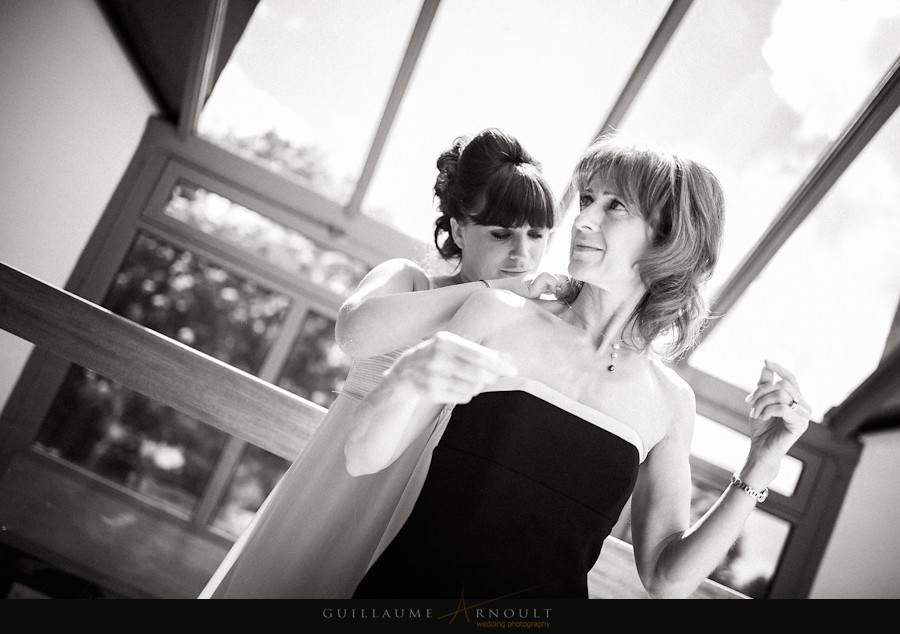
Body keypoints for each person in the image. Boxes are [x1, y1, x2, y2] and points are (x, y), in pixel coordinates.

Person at [346, 133, 811, 600]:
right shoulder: (498, 314)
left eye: (614, 206)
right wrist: (403, 380)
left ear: (668, 236)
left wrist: (761, 466)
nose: (582, 219)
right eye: (587, 200)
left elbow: (666, 578)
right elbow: (363, 456)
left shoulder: (670, 403)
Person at [199, 128, 566, 599]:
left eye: (537, 235)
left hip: (425, 521)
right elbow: (354, 333)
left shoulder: (523, 333)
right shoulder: (408, 279)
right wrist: (493, 291)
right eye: (501, 234)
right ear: (458, 230)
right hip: (337, 489)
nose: (523, 254)